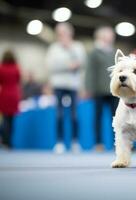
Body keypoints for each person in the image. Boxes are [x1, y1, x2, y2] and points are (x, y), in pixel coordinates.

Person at [46, 22, 87, 153]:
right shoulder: (53, 48)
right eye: (59, 33)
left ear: (70, 33)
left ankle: (75, 142)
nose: (62, 35)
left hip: (74, 86)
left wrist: (70, 50)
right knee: (59, 114)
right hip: (58, 85)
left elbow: (82, 63)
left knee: (75, 115)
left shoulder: (78, 47)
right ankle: (59, 142)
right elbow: (51, 65)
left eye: (64, 32)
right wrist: (67, 65)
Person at [85, 26, 118, 151]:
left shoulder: (114, 52)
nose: (111, 37)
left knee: (116, 117)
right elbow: (89, 71)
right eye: (109, 35)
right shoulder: (94, 52)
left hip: (113, 91)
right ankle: (98, 143)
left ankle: (118, 142)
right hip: (98, 90)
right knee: (97, 117)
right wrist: (88, 88)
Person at [0, 50, 21, 148]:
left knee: (5, 119)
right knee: (12, 120)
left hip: (4, 94)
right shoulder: (16, 68)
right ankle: (9, 142)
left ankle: (4, 141)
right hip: (14, 95)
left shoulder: (1, 68)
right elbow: (18, 80)